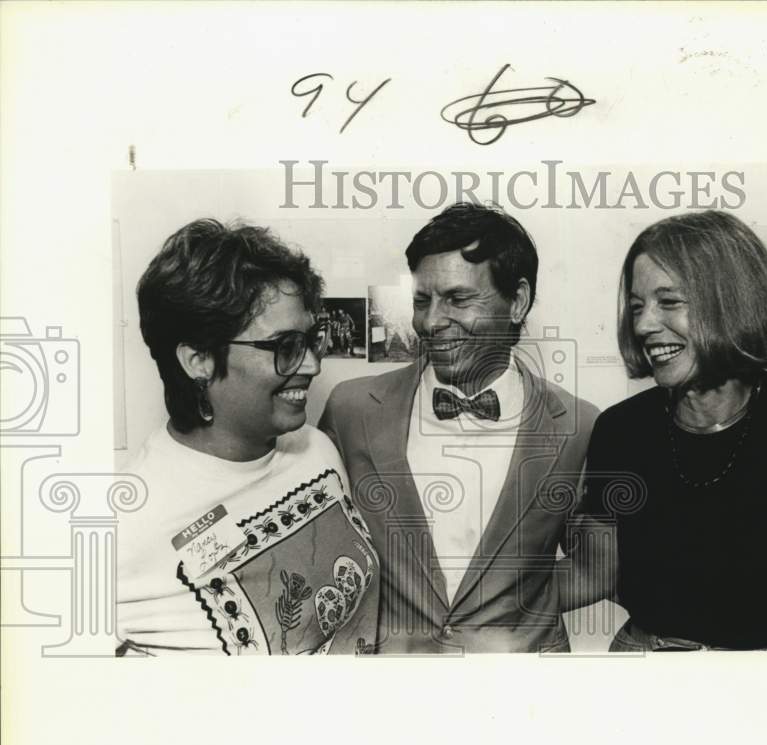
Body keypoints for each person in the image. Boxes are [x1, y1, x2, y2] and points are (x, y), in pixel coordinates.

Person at [567, 210, 767, 651]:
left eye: (669, 301)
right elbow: (592, 576)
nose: (644, 325)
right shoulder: (620, 430)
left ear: (733, 302)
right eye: (637, 306)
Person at [320, 203, 598, 653]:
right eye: (421, 301)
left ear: (518, 301)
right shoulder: (351, 409)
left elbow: (595, 569)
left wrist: (512, 616)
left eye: (458, 299)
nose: (430, 322)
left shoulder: (580, 425)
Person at [116, 219, 379, 656]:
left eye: (312, 340)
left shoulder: (317, 449)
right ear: (198, 360)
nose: (312, 365)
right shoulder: (125, 518)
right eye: (284, 346)